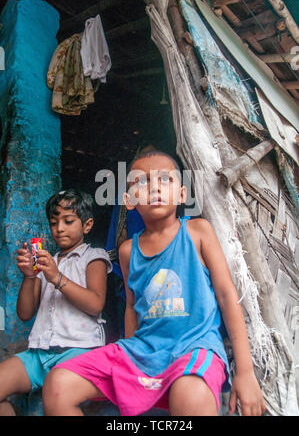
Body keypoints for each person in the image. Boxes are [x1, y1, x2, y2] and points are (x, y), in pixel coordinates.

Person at [42, 152, 266, 416]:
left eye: (164, 179)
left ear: (182, 194)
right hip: (142, 350)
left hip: (194, 347)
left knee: (190, 393)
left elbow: (228, 297)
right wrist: (127, 362)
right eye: (142, 182)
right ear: (129, 201)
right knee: (58, 384)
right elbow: (131, 307)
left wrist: (246, 372)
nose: (154, 187)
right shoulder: (127, 251)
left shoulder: (198, 232)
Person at [0, 189, 112, 416]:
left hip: (79, 351)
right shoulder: (47, 263)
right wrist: (30, 276)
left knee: (57, 395)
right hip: (39, 354)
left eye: (68, 221)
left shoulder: (94, 257)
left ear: (87, 225)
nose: (59, 228)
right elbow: (25, 313)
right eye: (54, 223)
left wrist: (56, 277)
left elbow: (95, 304)